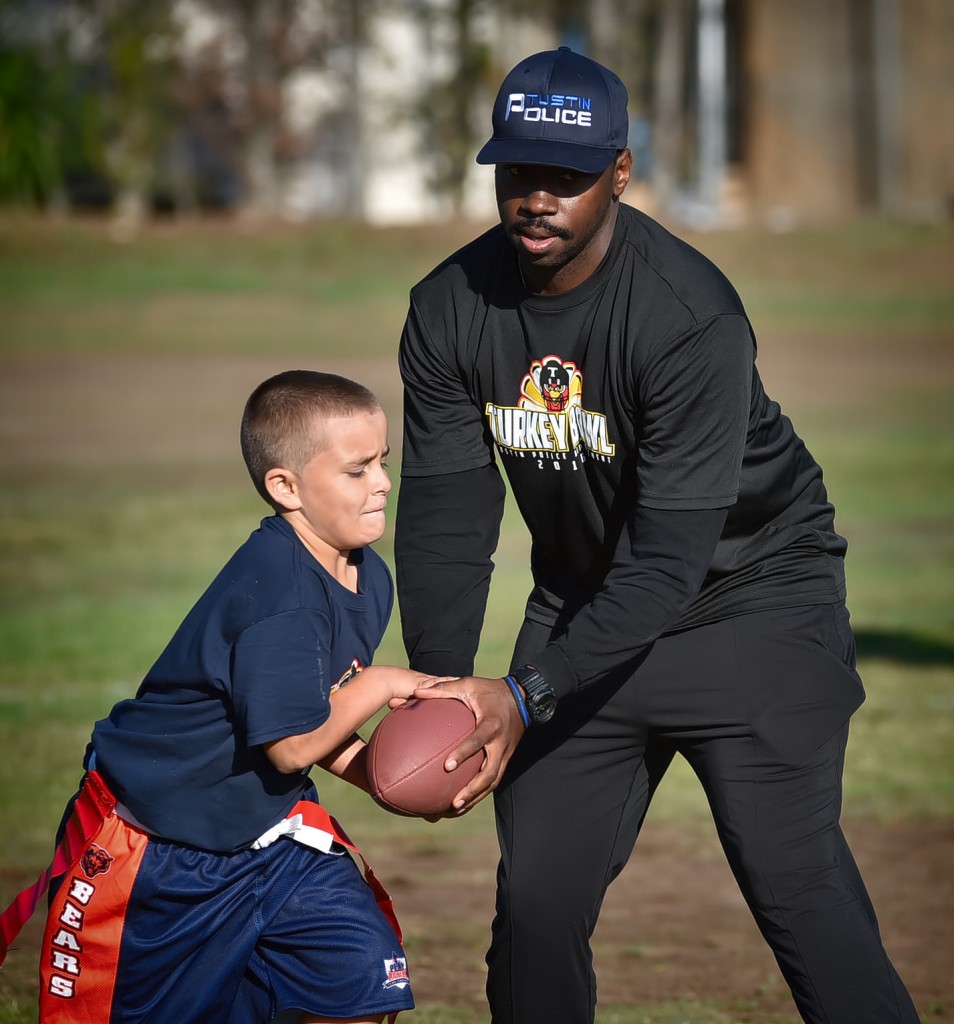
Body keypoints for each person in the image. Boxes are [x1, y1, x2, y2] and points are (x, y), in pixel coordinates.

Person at [394, 47, 919, 1024]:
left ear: (620, 173)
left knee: (793, 884)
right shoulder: (449, 309)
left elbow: (671, 558)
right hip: (585, 603)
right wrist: (445, 687)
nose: (538, 198)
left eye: (568, 176)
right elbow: (445, 514)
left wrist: (525, 692)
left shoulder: (686, 318)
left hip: (753, 602)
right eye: (520, 172)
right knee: (537, 905)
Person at [4, 370, 438, 1024]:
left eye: (383, 462)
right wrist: (380, 684)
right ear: (285, 487)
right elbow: (292, 746)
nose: (381, 482)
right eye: (356, 471)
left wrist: (395, 781)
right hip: (156, 852)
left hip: (275, 837)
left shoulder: (366, 576)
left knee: (360, 986)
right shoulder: (280, 596)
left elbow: (309, 717)